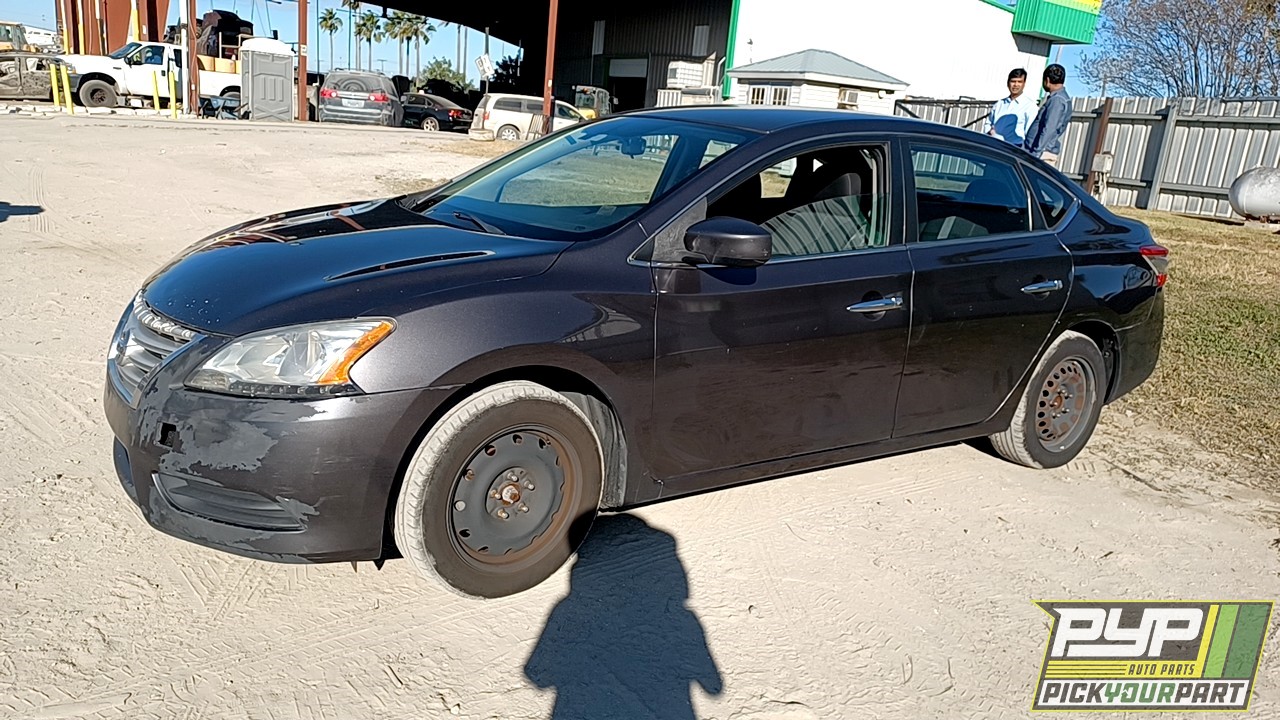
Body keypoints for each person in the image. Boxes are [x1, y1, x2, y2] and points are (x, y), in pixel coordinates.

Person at [1023, 63, 1072, 168]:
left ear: (1047, 80)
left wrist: (1037, 153)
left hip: (1042, 154)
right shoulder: (1060, 98)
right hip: (1040, 152)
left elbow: (1049, 128)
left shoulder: (1057, 100)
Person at [983, 68, 1037, 146]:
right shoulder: (999, 104)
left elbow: (1030, 133)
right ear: (1008, 83)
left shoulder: (1030, 107)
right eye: (1013, 81)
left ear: (1024, 84)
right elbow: (988, 123)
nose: (1015, 85)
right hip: (994, 145)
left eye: (1019, 82)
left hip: (1014, 148)